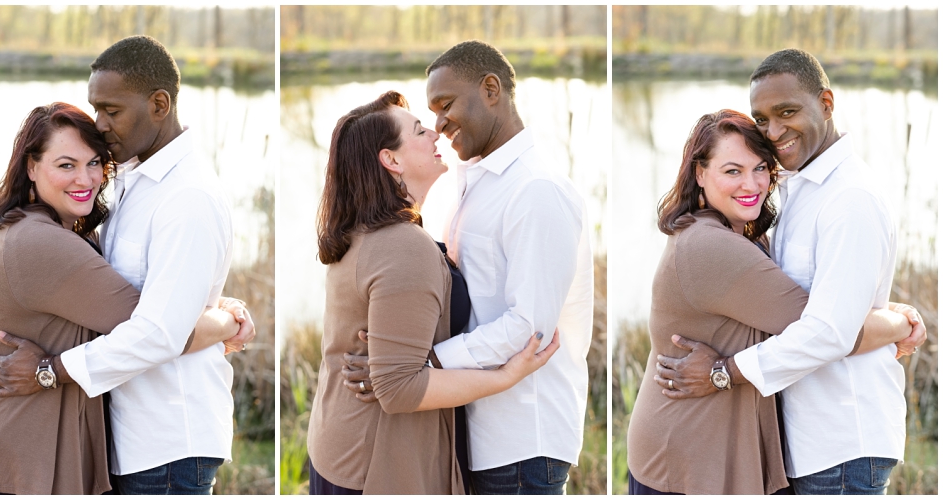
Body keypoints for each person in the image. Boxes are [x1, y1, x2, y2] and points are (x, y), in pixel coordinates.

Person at [0, 35, 256, 495]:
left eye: (112, 110)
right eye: (96, 108)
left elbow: (158, 332)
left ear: (160, 104)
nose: (99, 124)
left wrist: (49, 370)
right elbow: (145, 294)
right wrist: (224, 316)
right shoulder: (134, 177)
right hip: (131, 435)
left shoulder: (187, 198)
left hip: (167, 442)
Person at [655, 49, 926, 495]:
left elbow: (828, 330)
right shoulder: (799, 185)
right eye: (762, 119)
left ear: (826, 103)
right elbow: (816, 297)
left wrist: (723, 372)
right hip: (806, 441)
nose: (774, 132)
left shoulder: (849, 199)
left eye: (787, 112)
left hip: (841, 442)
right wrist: (894, 314)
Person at [341, 40, 593, 495]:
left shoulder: (537, 191)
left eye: (446, 105)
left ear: (491, 89)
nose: (437, 125)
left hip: (521, 440)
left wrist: (422, 363)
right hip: (470, 424)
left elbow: (529, 328)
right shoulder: (465, 181)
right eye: (431, 113)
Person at [308, 90, 560, 495]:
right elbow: (399, 387)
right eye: (420, 131)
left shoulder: (362, 231)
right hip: (377, 467)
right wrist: (506, 376)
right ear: (391, 160)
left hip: (341, 448)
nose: (436, 134)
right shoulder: (402, 245)